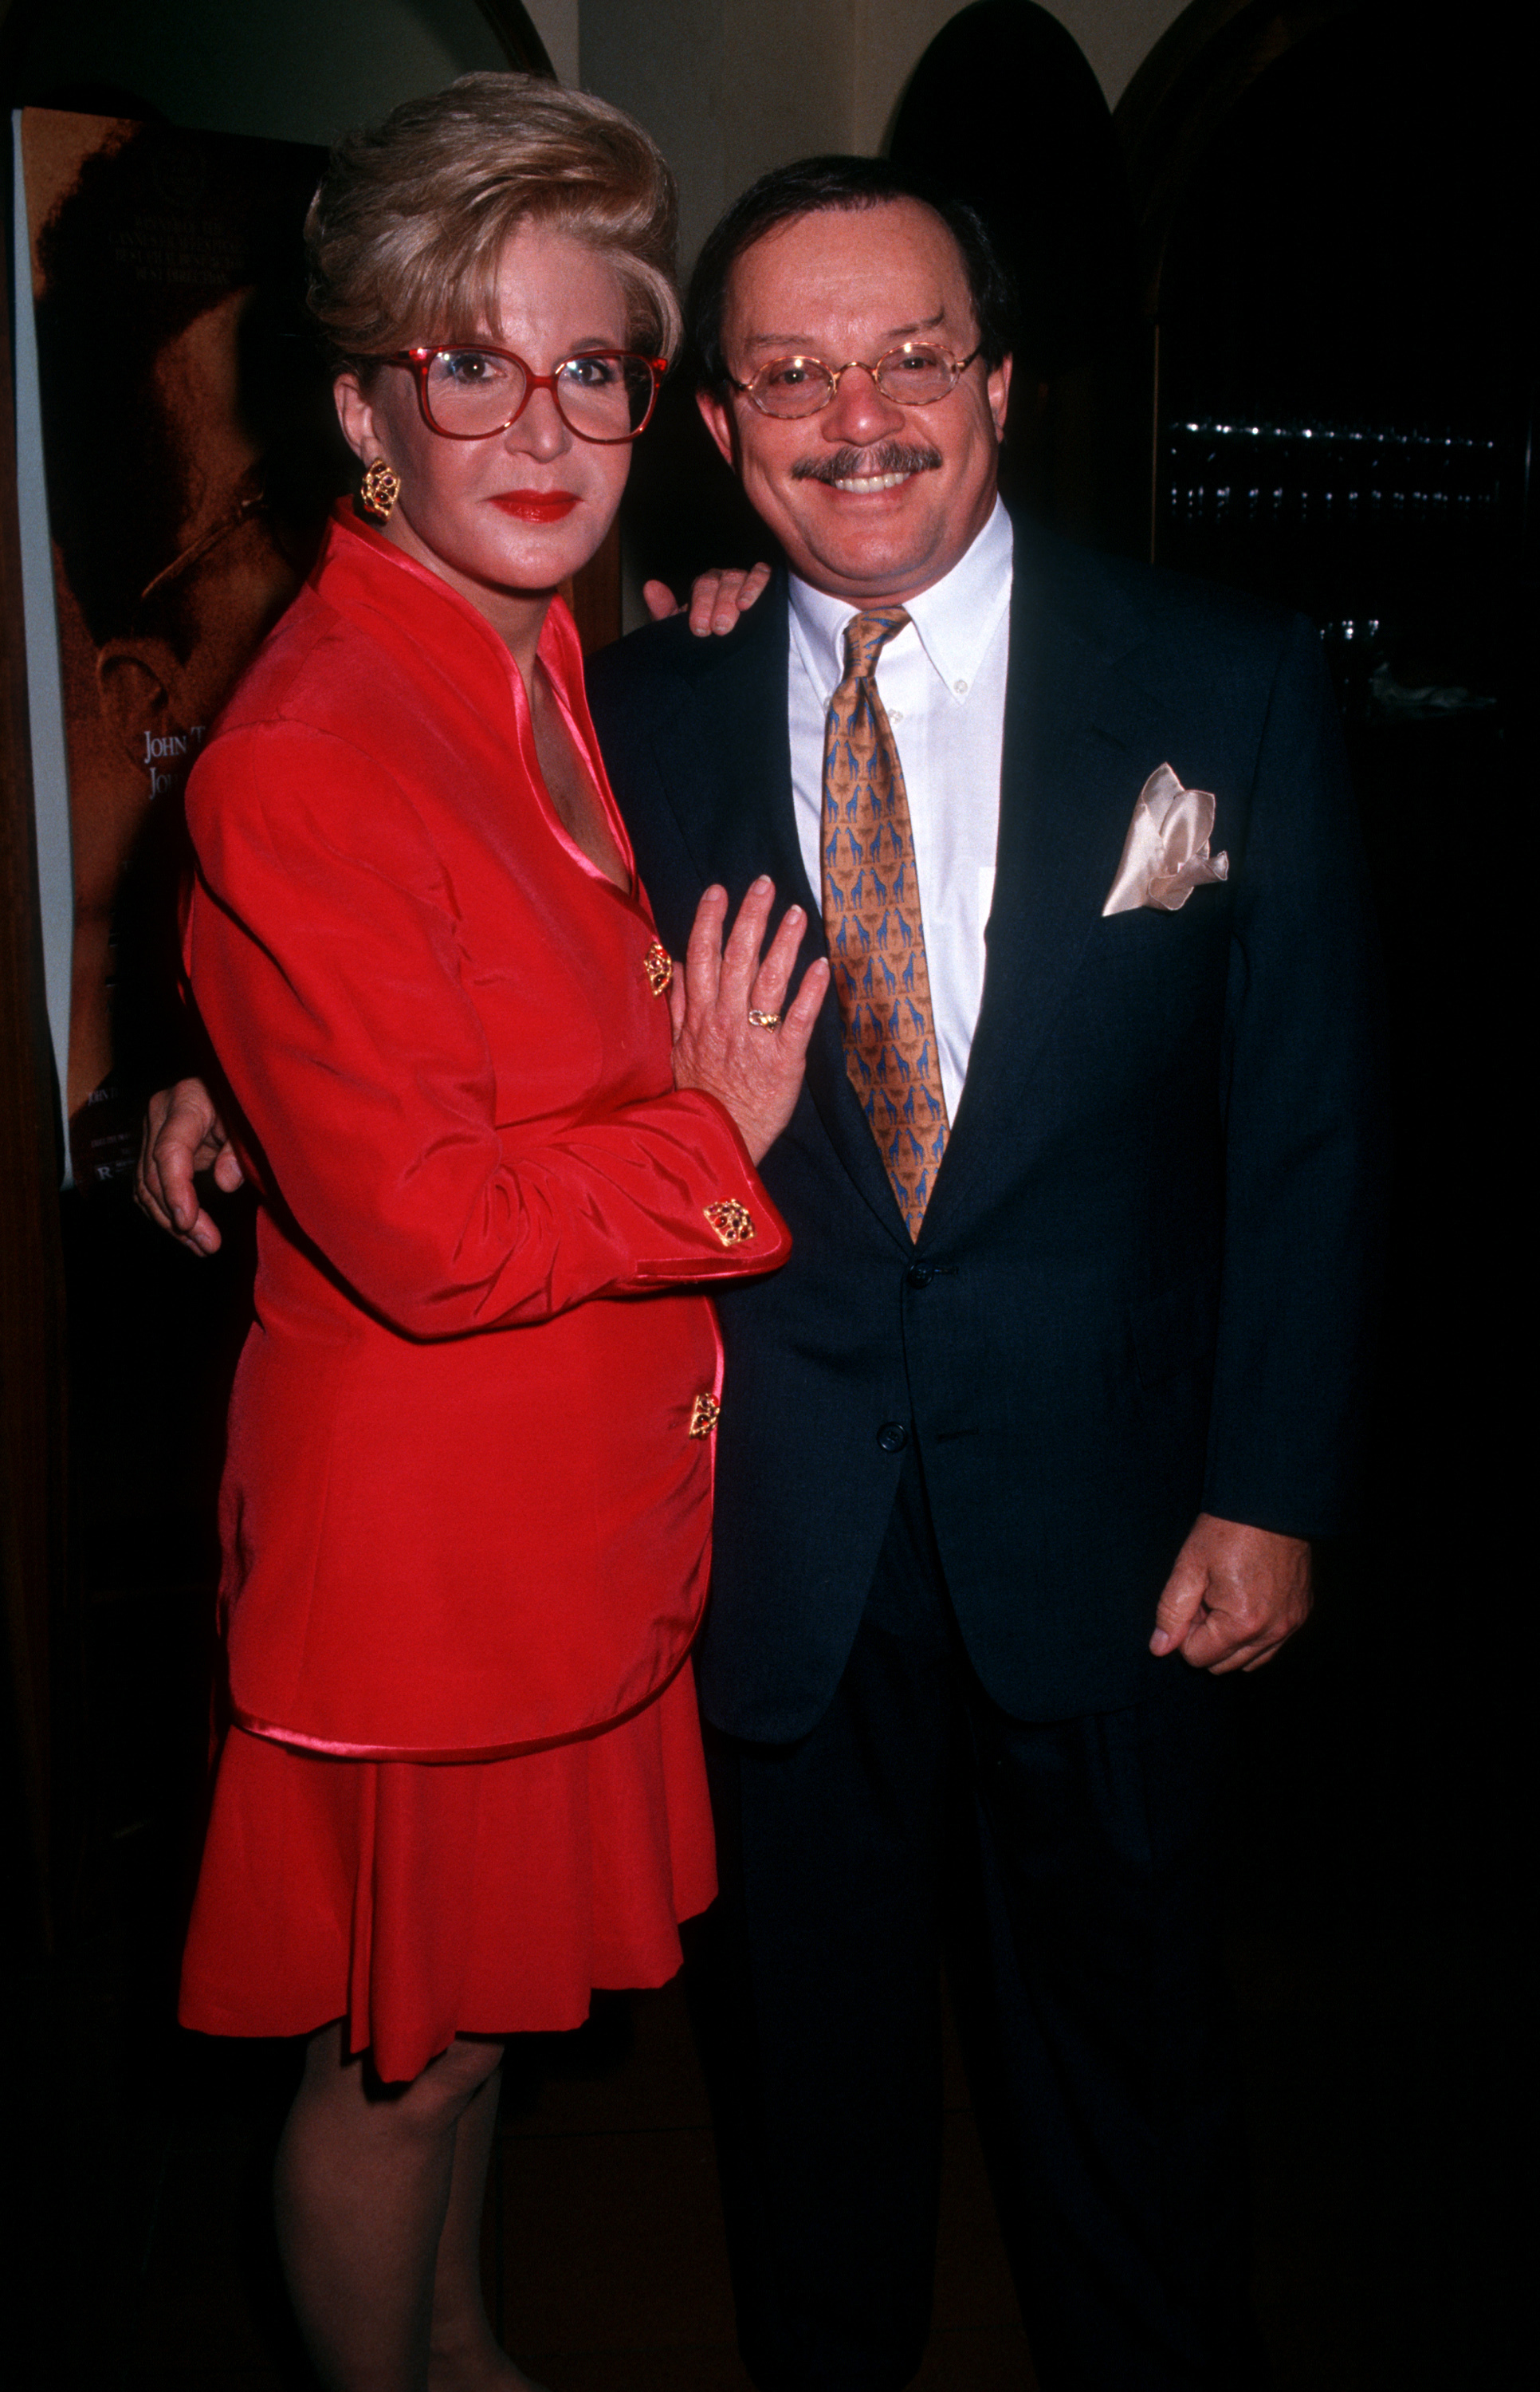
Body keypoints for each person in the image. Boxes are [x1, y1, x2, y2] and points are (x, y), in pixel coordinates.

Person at [142, 153, 1385, 2392]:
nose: (860, 412)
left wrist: (1269, 1483)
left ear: (996, 382)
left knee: (1132, 2102)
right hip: (755, 1538)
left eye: (912, 353)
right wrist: (220, 1078)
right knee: (805, 2124)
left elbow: (1307, 1125)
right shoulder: (639, 709)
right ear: (719, 430)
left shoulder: (1233, 677)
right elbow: (414, 983)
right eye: (789, 370)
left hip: (1115, 1528)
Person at [149, 77, 828, 2392]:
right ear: (362, 402)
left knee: (478, 2040)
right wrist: (714, 1137)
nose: (537, 426)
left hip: (566, 1520)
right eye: (468, 362)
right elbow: (432, 1234)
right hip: (431, 1558)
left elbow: (456, 1003)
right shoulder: (320, 738)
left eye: (590, 368)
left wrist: (716, 622)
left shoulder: (538, 652)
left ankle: (465, 2360)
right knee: (396, 2062)